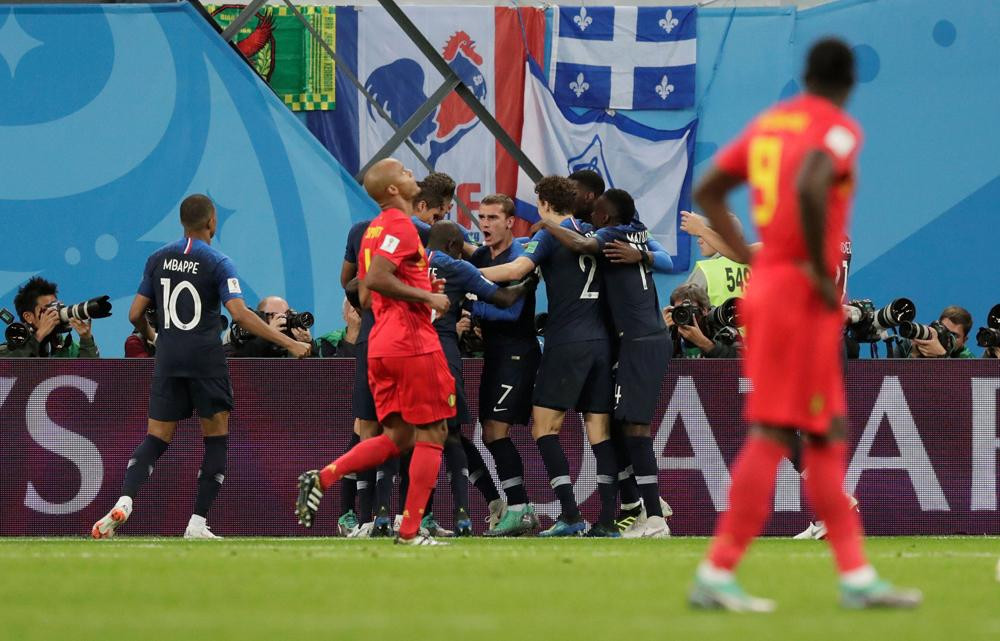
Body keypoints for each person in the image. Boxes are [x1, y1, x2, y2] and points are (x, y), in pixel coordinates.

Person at [688, 39, 921, 610]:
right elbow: (815, 184)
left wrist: (750, 251)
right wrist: (815, 271)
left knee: (810, 434)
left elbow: (711, 188)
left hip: (767, 297)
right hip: (803, 301)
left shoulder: (769, 125)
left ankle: (852, 575)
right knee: (792, 434)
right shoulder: (838, 129)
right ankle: (720, 573)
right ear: (846, 84)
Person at [91, 194, 310, 540]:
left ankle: (125, 499)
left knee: (156, 438)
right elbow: (238, 313)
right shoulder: (219, 262)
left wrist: (154, 335)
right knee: (216, 438)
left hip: (169, 358)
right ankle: (196, 522)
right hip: (206, 360)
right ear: (211, 222)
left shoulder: (157, 258)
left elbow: (134, 314)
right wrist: (290, 343)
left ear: (182, 222)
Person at [296, 158, 456, 546]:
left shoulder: (372, 231)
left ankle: (325, 477)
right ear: (392, 191)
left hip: (381, 342)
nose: (409, 173)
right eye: (402, 171)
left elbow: (364, 291)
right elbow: (380, 280)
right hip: (412, 342)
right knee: (435, 430)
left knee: (398, 436)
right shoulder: (400, 225)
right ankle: (410, 531)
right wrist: (427, 296)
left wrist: (405, 291)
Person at [480, 176, 614, 537]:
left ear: (542, 203)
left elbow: (514, 271)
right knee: (599, 431)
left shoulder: (548, 234)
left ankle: (570, 515)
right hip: (601, 342)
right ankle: (608, 521)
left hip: (566, 342)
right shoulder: (589, 231)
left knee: (544, 428)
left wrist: (465, 275)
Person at [538, 189, 673, 538]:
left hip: (640, 342)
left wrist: (547, 224)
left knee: (635, 429)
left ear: (606, 218)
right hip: (638, 341)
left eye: (597, 212)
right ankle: (642, 505)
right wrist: (643, 253)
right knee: (621, 424)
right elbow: (666, 259)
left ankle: (655, 515)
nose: (592, 218)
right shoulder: (636, 229)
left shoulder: (609, 235)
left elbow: (582, 246)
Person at [426, 220, 533, 535]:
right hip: (442, 357)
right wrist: (531, 280)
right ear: (456, 248)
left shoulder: (408, 263)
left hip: (406, 353)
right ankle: (463, 516)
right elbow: (504, 299)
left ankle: (415, 516)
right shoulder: (455, 266)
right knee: (452, 433)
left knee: (416, 437)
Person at [469, 194, 542, 535]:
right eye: (482, 217)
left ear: (510, 221)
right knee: (489, 431)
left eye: (493, 217)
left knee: (497, 431)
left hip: (518, 352)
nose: (485, 224)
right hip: (494, 355)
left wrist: (473, 309)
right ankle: (515, 507)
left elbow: (511, 311)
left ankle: (519, 507)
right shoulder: (482, 256)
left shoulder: (521, 257)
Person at [1, 277, 100, 358]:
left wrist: (86, 340)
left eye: (57, 306)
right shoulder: (12, 348)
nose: (56, 313)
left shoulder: (66, 346)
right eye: (48, 309)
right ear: (28, 317)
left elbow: (91, 376)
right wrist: (38, 336)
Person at [679, 211, 752, 307]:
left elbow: (685, 309)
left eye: (704, 235)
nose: (699, 241)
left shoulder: (706, 269)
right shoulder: (757, 264)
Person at [664, 284, 741, 359]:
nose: (683, 315)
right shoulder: (671, 331)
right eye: (679, 310)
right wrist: (661, 333)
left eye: (688, 309)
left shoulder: (722, 327)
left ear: (704, 310)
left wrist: (703, 343)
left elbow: (744, 362)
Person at [225, 296, 315, 357]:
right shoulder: (243, 337)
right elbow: (238, 365)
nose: (282, 320)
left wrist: (309, 344)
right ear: (259, 317)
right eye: (274, 315)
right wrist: (268, 337)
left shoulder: (294, 340)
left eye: (286, 314)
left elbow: (317, 376)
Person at [894, 305, 975, 359]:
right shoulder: (909, 344)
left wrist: (941, 355)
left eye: (954, 335)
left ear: (964, 340)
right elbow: (891, 379)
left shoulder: (969, 360)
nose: (947, 337)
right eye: (944, 329)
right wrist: (914, 355)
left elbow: (961, 383)